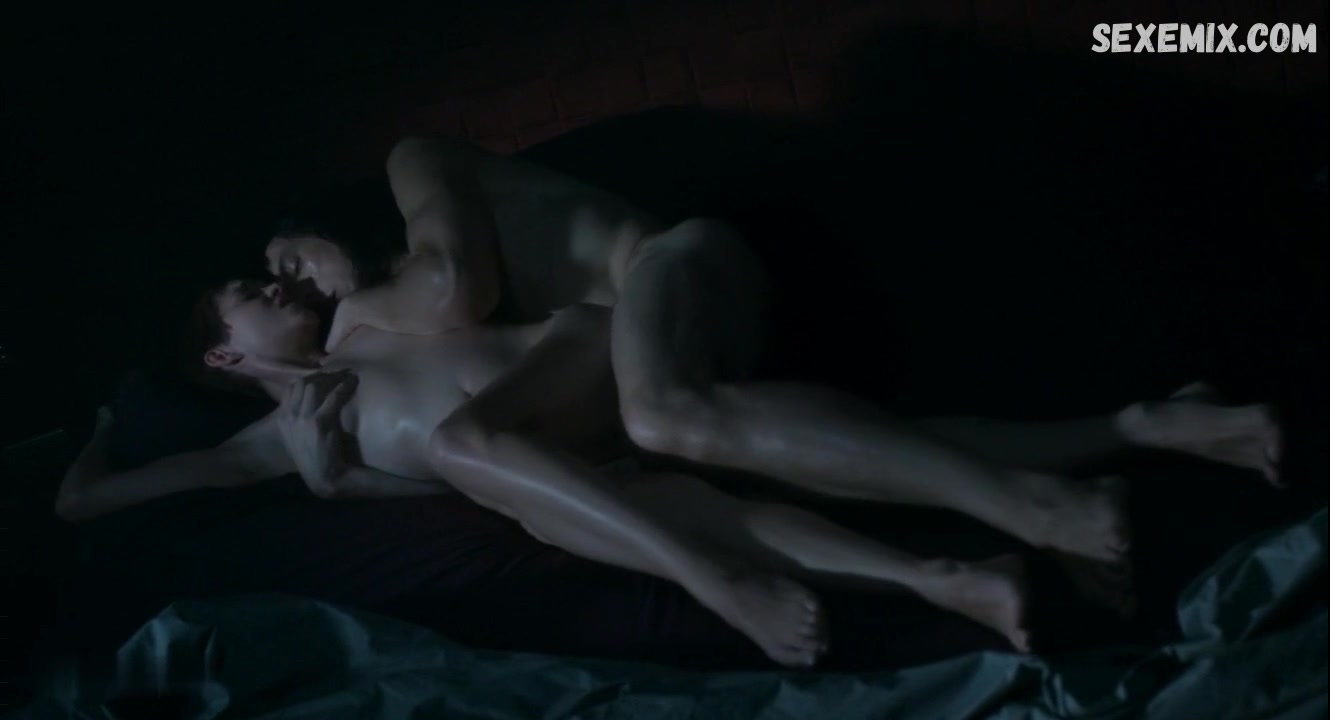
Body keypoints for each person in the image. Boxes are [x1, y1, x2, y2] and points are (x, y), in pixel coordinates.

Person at [265, 136, 1283, 564]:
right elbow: (492, 485)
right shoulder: (377, 340)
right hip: (672, 358)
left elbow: (454, 287)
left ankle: (1039, 509)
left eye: (288, 263)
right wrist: (341, 483)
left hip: (678, 265)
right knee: (838, 460)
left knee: (663, 414)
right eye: (280, 292)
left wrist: (355, 321)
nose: (304, 289)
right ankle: (1153, 424)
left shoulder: (412, 166)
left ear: (320, 219)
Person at [59, 280, 1038, 667]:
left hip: (601, 357)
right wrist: (103, 423)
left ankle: (719, 583)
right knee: (653, 505)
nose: (274, 286)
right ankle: (952, 581)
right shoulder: (272, 446)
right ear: (224, 356)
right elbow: (81, 503)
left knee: (493, 456)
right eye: (248, 294)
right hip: (592, 462)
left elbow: (451, 270)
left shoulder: (361, 312)